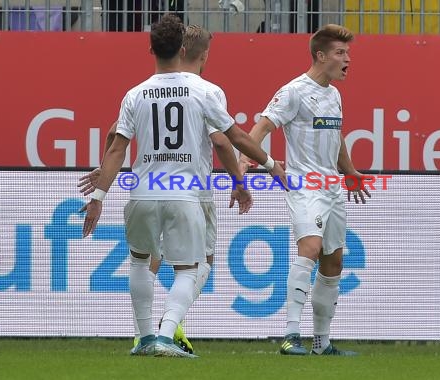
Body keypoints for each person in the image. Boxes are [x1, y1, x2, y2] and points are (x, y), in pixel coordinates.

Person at [81, 13, 287, 358]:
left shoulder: (135, 94)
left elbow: (117, 146)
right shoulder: (204, 91)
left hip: (143, 192)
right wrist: (269, 163)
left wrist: (100, 194)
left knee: (138, 262)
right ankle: (164, 334)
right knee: (190, 269)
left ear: (150, 49)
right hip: (185, 192)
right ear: (182, 47)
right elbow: (233, 137)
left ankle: (144, 338)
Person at [238, 24, 370, 356]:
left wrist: (350, 170)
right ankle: (290, 335)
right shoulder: (293, 91)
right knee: (309, 248)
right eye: (341, 53)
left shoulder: (335, 94)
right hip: (303, 186)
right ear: (320, 55)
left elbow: (337, 137)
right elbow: (263, 125)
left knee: (333, 263)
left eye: (348, 53)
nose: (347, 60)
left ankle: (322, 342)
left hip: (332, 188)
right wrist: (243, 163)